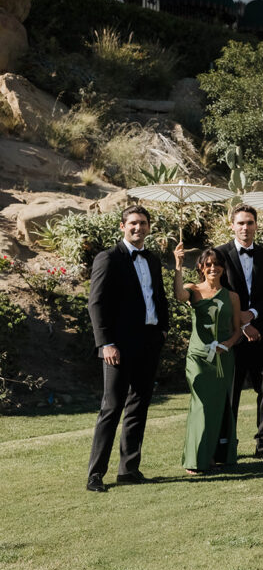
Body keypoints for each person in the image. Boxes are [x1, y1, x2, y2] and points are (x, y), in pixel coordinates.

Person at [85, 205, 168, 492]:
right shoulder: (108, 258)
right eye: (133, 223)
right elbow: (96, 304)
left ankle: (128, 469)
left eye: (143, 223)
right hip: (117, 346)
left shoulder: (153, 259)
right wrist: (105, 343)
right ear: (122, 226)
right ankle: (95, 475)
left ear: (148, 226)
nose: (139, 228)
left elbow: (158, 296)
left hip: (149, 342)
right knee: (111, 407)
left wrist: (162, 330)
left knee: (139, 405)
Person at [214, 205, 263, 462]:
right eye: (241, 223)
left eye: (250, 223)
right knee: (231, 390)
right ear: (232, 225)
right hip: (231, 334)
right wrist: (241, 323)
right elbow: (217, 291)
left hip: (261, 332)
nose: (245, 227)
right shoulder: (219, 254)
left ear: (256, 225)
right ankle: (226, 445)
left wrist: (252, 314)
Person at [172, 245, 243, 474]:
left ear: (223, 267)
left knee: (219, 407)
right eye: (208, 264)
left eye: (217, 264)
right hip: (198, 358)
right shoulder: (193, 289)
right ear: (201, 267)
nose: (213, 268)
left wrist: (227, 345)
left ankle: (214, 456)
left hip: (223, 359)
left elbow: (237, 331)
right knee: (201, 405)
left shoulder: (232, 296)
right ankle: (196, 459)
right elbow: (179, 296)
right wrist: (178, 266)